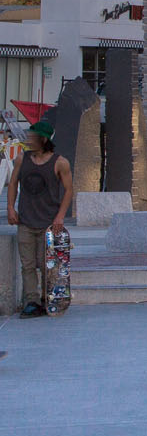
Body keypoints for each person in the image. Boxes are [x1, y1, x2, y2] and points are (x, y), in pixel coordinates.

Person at [6, 121, 74, 317]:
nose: (29, 140)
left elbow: (69, 190)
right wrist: (11, 208)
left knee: (47, 264)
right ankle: (31, 301)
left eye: (33, 137)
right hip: (25, 221)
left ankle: (47, 298)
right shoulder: (22, 159)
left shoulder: (60, 162)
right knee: (27, 265)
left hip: (49, 223)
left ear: (43, 139)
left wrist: (60, 216)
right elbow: (12, 184)